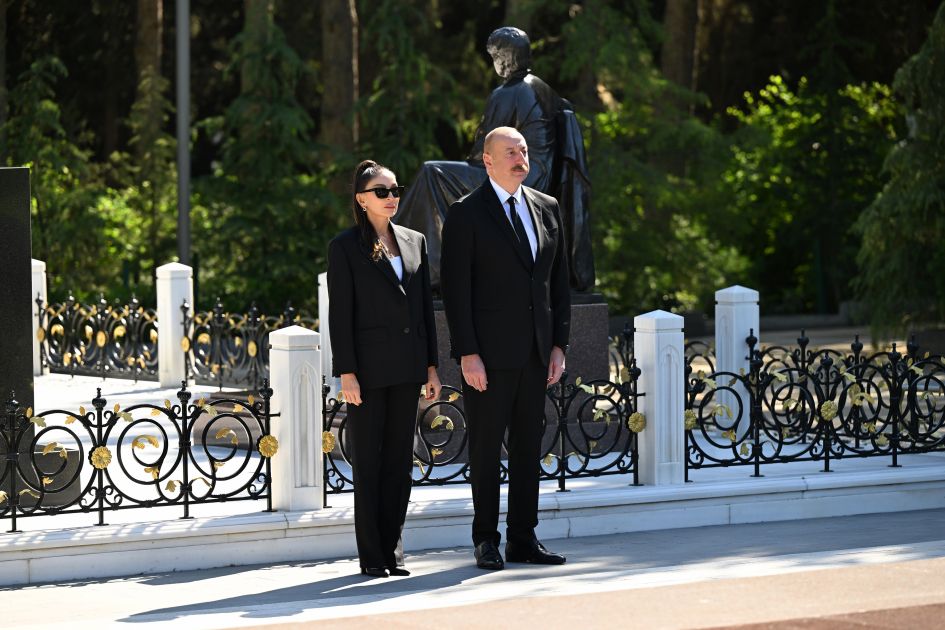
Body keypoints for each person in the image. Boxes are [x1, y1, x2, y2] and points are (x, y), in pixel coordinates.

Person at [440, 127, 571, 570]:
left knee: (529, 447)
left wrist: (559, 344)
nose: (521, 157)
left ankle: (522, 538)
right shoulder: (466, 214)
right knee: (485, 448)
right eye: (510, 152)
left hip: (537, 354)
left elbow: (559, 284)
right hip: (488, 359)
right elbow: (456, 293)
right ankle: (485, 539)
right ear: (488, 160)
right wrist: (467, 352)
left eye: (524, 150)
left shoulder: (548, 207)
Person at [395, 26, 594, 292]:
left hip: (514, 175)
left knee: (433, 173)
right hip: (539, 175)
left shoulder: (508, 92)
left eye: (495, 57)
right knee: (440, 176)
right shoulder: (543, 88)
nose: (495, 64)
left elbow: (483, 150)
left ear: (506, 58)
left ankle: (406, 257)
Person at [327, 160, 442, 578]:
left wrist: (431, 367)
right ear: (361, 199)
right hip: (368, 373)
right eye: (381, 191)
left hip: (409, 367)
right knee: (371, 464)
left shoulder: (415, 241)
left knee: (400, 463)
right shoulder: (344, 247)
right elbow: (340, 315)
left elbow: (424, 310)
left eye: (395, 189)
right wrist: (347, 373)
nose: (391, 196)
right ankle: (372, 554)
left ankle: (394, 550)